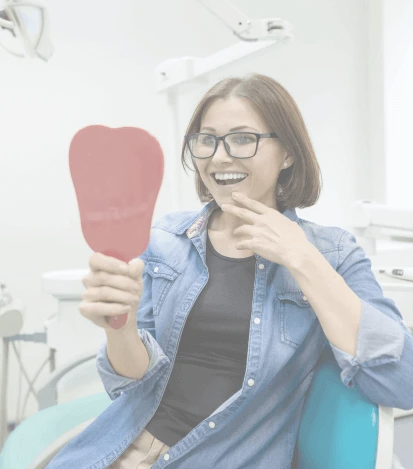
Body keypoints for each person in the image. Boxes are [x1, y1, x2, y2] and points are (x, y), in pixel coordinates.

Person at [46, 74, 413, 469]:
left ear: (287, 153)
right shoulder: (166, 240)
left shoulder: (333, 252)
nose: (219, 157)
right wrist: (120, 330)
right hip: (120, 447)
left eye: (242, 139)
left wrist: (301, 258)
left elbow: (402, 381)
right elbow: (134, 386)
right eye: (207, 140)